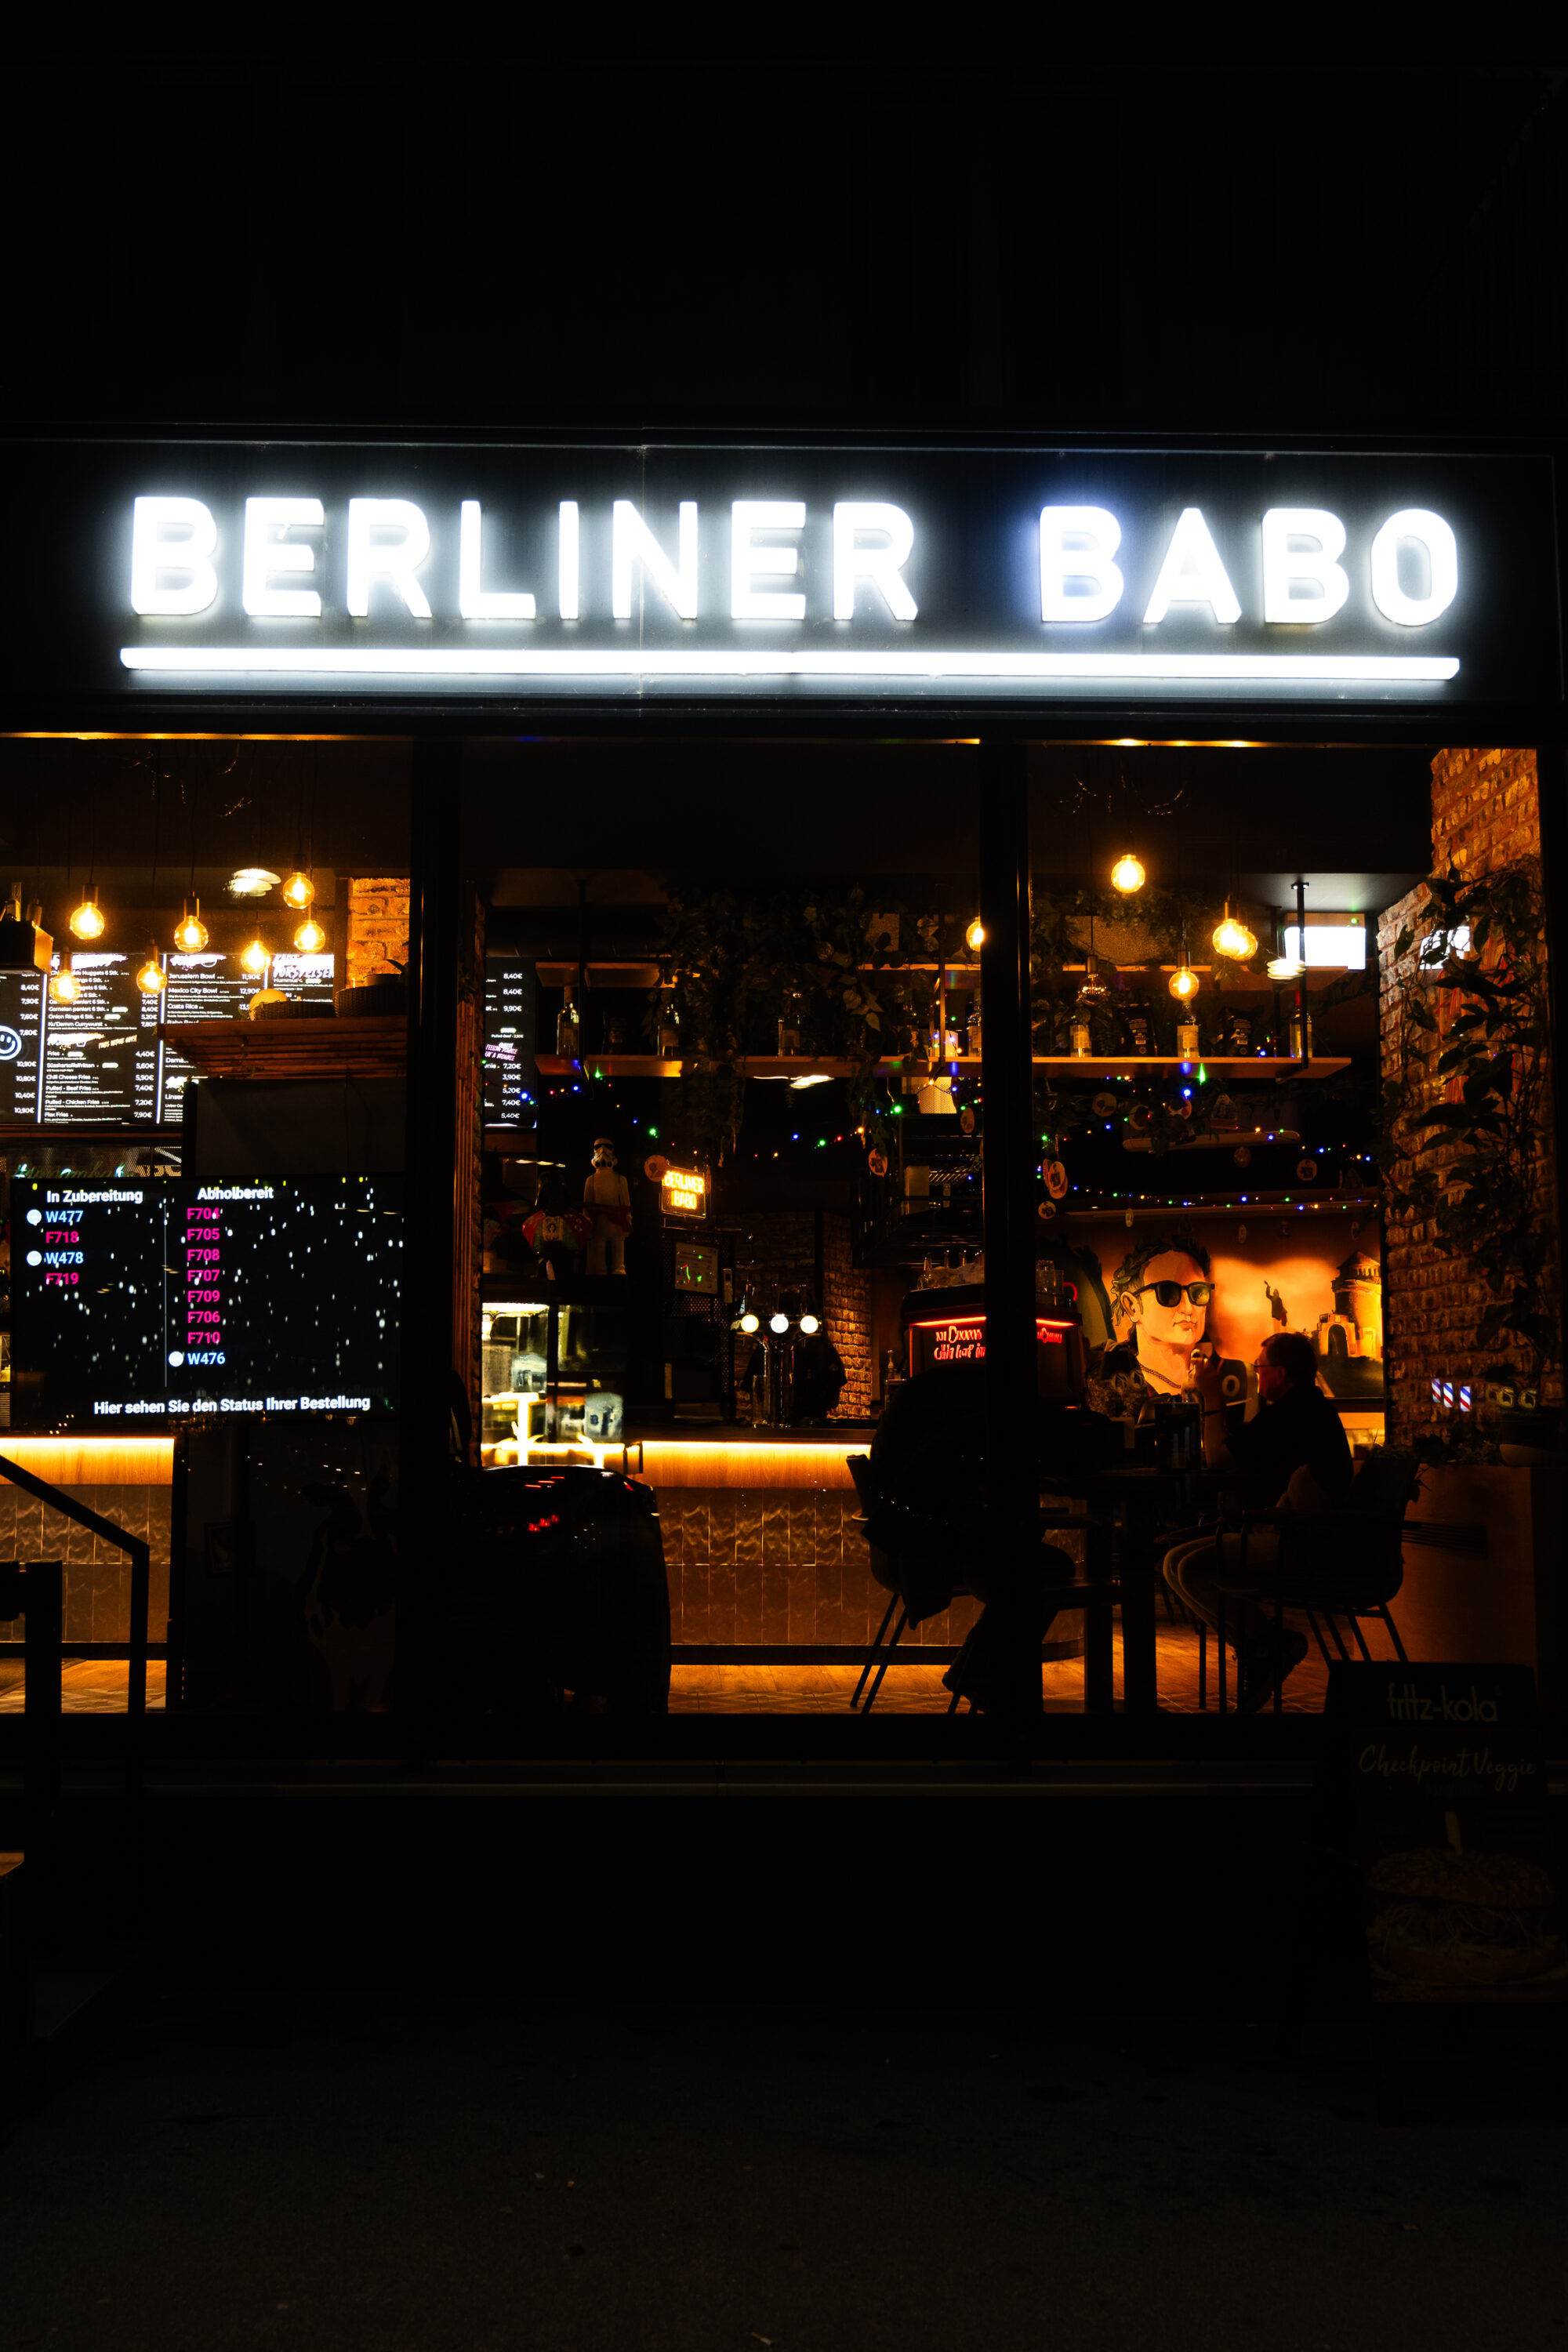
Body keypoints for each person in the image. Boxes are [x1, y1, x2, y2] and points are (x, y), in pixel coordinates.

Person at [1163, 1328, 1353, 1708]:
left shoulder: (1293, 1412)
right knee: (1174, 1562)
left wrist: (1212, 1395)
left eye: (1259, 1367)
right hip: (1300, 1532)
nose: (1256, 1373)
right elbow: (1239, 1453)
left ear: (1280, 1373)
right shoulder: (1303, 1408)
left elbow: (1217, 1458)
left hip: (1302, 1541)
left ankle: (1264, 1645)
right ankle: (1264, 1647)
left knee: (1187, 1569)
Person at [1104, 1234, 1215, 1397]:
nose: (1189, 1309)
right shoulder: (1114, 1383)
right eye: (1168, 1293)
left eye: (1198, 1292)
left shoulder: (1221, 1375)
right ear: (1132, 1307)